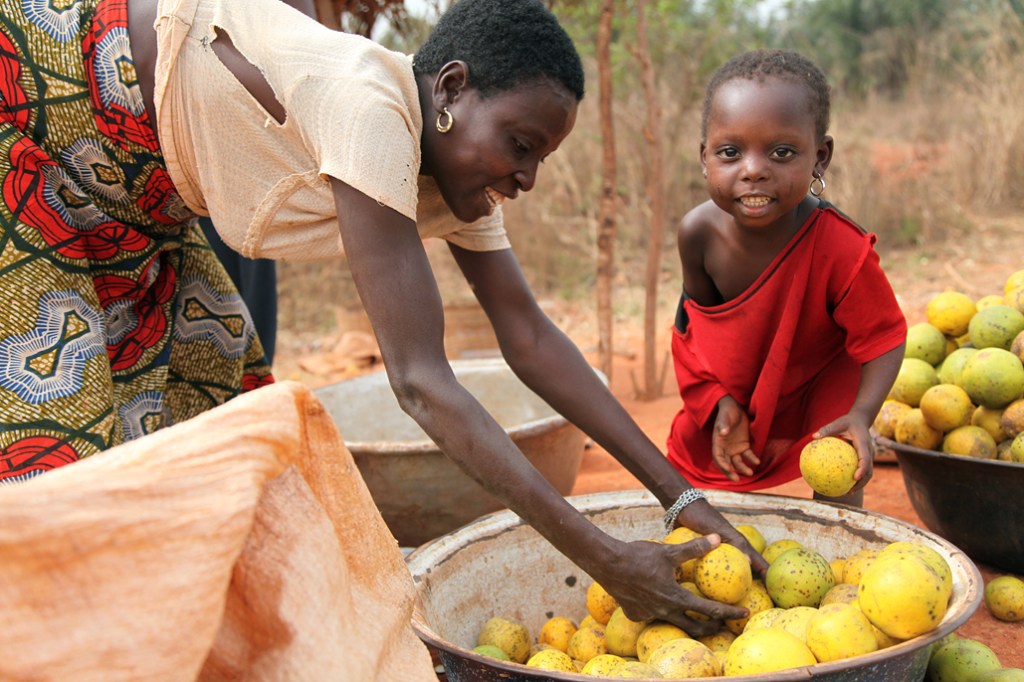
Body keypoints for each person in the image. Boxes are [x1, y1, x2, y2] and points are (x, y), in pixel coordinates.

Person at [0, 0, 764, 633]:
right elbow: (421, 382)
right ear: (451, 90)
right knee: (58, 468)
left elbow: (530, 338)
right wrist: (603, 558)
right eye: (520, 146)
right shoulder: (366, 106)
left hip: (129, 202)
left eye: (539, 159)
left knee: (216, 417)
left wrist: (682, 498)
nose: (526, 177)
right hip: (33, 114)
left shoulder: (454, 170)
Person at [667, 49, 908, 507]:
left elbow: (885, 339)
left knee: (841, 455)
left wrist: (861, 414)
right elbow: (691, 333)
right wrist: (718, 402)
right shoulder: (697, 234)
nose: (754, 169)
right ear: (704, 158)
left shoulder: (842, 248)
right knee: (693, 476)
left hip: (816, 386)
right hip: (737, 384)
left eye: (782, 152)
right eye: (730, 152)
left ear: (820, 157)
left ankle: (840, 538)